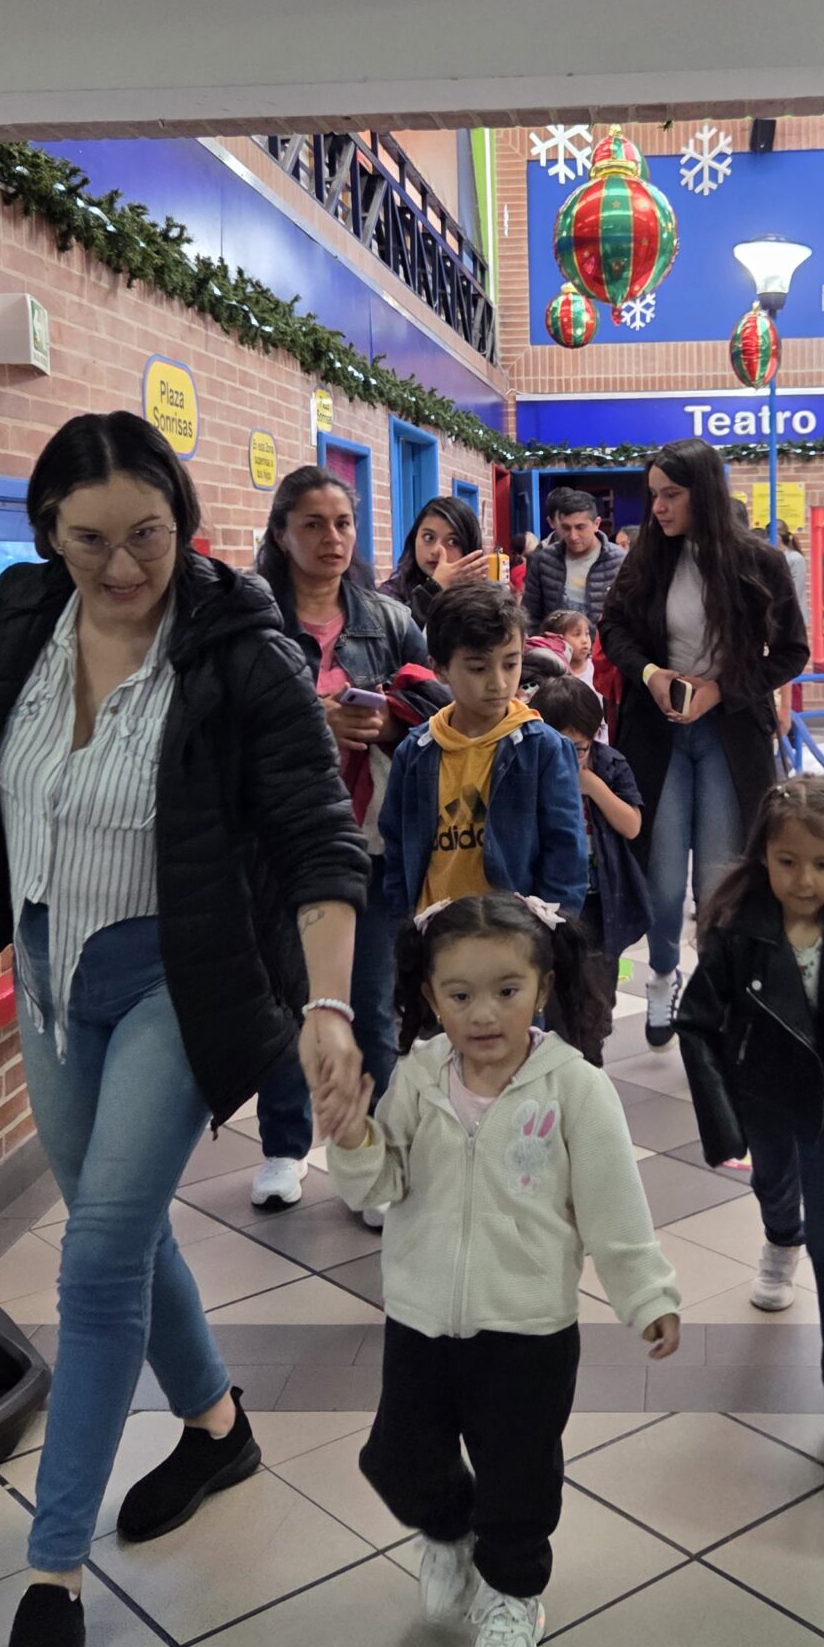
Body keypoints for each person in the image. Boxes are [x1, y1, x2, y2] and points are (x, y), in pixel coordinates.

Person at [0, 411, 369, 1647]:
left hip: (182, 977)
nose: (121, 568)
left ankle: (52, 1577)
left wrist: (327, 1006)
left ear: (186, 523)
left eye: (148, 537)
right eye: (89, 540)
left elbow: (318, 835)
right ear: (48, 534)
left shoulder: (239, 653)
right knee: (122, 1225)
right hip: (50, 979)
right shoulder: (22, 618)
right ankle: (219, 1430)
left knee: (99, 1253)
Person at [322, 895, 680, 1647]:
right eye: (460, 994)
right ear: (430, 996)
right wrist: (351, 1137)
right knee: (399, 1459)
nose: (483, 1014)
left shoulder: (574, 1089)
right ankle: (450, 1530)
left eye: (507, 990)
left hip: (529, 1330)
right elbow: (379, 1183)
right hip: (420, 1320)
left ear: (543, 986)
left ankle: (513, 1600)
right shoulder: (418, 1078)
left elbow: (614, 1208)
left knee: (520, 1477)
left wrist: (647, 1293)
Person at [676, 774, 824, 1469]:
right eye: (788, 862)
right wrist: (722, 1120)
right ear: (762, 857)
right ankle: (779, 1237)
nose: (805, 881)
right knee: (773, 1182)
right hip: (763, 1091)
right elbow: (696, 1022)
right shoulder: (737, 932)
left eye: (823, 864)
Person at [247, 464, 427, 1213]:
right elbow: (225, 727)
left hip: (371, 842)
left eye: (344, 523)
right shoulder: (254, 619)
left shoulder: (388, 620)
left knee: (372, 1006)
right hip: (282, 843)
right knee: (288, 1000)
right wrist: (312, 720)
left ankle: (371, 1161)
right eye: (313, 524)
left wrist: (391, 723)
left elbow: (437, 714)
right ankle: (285, 1146)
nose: (332, 538)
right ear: (281, 533)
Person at [599, 437, 809, 1048]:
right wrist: (650, 674)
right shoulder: (645, 559)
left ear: (705, 494)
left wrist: (723, 690)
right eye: (654, 495)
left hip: (730, 736)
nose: (658, 508)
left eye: (671, 494)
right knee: (662, 882)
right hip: (657, 737)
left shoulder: (759, 563)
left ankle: (715, 990)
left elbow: (792, 652)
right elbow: (614, 630)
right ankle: (663, 976)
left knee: (718, 881)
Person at [380, 583, 589, 927]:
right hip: (436, 934)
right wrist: (405, 923)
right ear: (439, 668)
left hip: (513, 935)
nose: (499, 683)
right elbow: (397, 844)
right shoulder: (415, 752)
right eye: (478, 668)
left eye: (511, 664)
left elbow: (566, 854)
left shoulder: (544, 749)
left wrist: (547, 932)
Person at [530, 675, 650, 1027]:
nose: (569, 758)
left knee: (596, 998)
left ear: (595, 734)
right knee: (553, 996)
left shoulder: (610, 765)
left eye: (578, 748)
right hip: (551, 902)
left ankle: (590, 1051)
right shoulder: (533, 768)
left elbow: (632, 825)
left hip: (600, 901)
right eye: (557, 746)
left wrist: (593, 786)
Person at [380, 494, 491, 630]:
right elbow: (397, 636)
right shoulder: (390, 595)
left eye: (452, 541)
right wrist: (434, 588)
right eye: (428, 537)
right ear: (414, 539)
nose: (436, 550)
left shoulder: (483, 595)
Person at [522, 485, 624, 632]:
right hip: (554, 644)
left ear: (596, 524)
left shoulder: (619, 562)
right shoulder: (543, 561)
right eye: (566, 528)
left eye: (580, 527)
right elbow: (530, 615)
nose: (573, 536)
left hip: (604, 644)